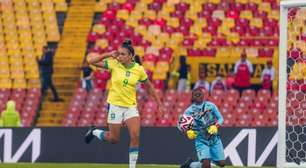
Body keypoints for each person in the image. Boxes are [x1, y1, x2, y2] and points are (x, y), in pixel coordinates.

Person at [84, 39, 161, 168]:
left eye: (123, 54)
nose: (119, 56)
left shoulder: (139, 69)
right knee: (113, 139)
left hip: (130, 106)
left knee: (135, 135)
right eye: (119, 54)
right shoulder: (114, 64)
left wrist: (159, 103)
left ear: (131, 56)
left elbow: (149, 86)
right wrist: (109, 54)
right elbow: (91, 61)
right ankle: (94, 132)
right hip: (115, 106)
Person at [179, 88, 225, 168]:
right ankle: (203, 164)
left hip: (215, 138)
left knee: (222, 163)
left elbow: (221, 118)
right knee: (206, 165)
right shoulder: (188, 111)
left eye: (199, 94)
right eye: (195, 95)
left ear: (203, 95)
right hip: (201, 140)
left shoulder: (211, 106)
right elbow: (180, 125)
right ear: (192, 97)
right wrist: (188, 132)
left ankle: (190, 164)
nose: (197, 96)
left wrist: (216, 126)